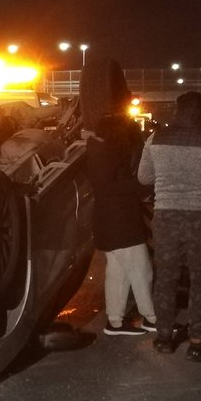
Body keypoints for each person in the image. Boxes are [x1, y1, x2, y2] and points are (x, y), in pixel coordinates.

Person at [138, 91, 201, 360]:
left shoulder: (155, 139)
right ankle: (197, 340)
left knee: (166, 277)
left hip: (166, 217)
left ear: (177, 110)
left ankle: (164, 337)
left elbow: (144, 177)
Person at [83, 76, 157, 336]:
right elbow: (115, 185)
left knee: (118, 273)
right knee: (141, 270)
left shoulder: (98, 151)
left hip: (109, 222)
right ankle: (151, 317)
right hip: (122, 223)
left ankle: (115, 321)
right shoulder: (107, 154)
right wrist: (142, 186)